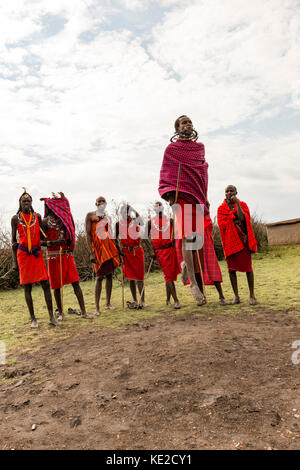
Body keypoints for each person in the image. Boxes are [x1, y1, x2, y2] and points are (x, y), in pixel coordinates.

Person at [158, 115, 208, 306]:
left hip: (197, 197)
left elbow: (203, 173)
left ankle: (186, 264)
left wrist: (205, 196)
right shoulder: (171, 149)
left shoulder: (199, 148)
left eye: (190, 122)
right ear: (177, 129)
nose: (188, 124)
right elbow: (166, 173)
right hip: (181, 197)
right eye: (184, 122)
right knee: (187, 236)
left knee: (195, 237)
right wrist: (170, 196)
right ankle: (193, 284)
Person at [11, 191, 58, 328]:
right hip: (23, 255)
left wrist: (50, 243)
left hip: (36, 255)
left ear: (31, 203)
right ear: (20, 203)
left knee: (45, 284)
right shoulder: (15, 218)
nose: (26, 203)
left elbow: (42, 239)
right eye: (24, 201)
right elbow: (14, 242)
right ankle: (33, 319)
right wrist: (14, 262)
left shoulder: (37, 217)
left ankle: (51, 317)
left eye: (29, 201)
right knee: (27, 287)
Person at [42, 193, 91, 320]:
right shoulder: (45, 221)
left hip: (66, 256)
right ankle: (61, 313)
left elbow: (70, 234)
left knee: (76, 282)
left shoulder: (65, 219)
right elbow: (39, 241)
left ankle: (84, 311)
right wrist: (52, 243)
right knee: (57, 287)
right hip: (53, 257)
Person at [217, 185, 258, 305]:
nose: (229, 193)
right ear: (224, 193)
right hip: (230, 242)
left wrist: (237, 204)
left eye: (231, 191)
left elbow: (242, 218)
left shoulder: (243, 205)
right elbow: (222, 225)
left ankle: (252, 296)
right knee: (231, 270)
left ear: (236, 192)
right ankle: (236, 296)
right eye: (227, 191)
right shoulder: (221, 209)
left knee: (248, 269)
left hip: (243, 241)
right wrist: (232, 220)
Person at [85, 196, 120, 315]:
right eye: (99, 201)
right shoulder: (90, 215)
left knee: (109, 275)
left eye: (103, 201)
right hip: (98, 251)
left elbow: (111, 234)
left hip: (109, 249)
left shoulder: (107, 217)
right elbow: (88, 235)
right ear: (95, 203)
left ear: (106, 203)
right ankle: (96, 308)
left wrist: (117, 249)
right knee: (99, 277)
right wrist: (91, 253)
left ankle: (108, 303)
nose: (101, 202)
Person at [148, 202, 181, 308]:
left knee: (170, 275)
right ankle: (176, 301)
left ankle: (167, 300)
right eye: (156, 206)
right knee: (168, 276)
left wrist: (176, 246)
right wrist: (151, 251)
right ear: (154, 209)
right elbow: (144, 237)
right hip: (160, 252)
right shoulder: (150, 222)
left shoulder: (170, 220)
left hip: (171, 250)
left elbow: (177, 234)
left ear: (162, 208)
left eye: (160, 206)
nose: (158, 208)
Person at [116, 203, 146, 308]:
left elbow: (141, 222)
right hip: (126, 252)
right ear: (121, 213)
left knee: (140, 277)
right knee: (131, 277)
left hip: (137, 251)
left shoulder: (134, 220)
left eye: (128, 211)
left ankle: (143, 301)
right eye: (124, 212)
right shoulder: (118, 224)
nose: (126, 214)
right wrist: (119, 250)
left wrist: (133, 209)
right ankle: (135, 300)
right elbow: (114, 239)